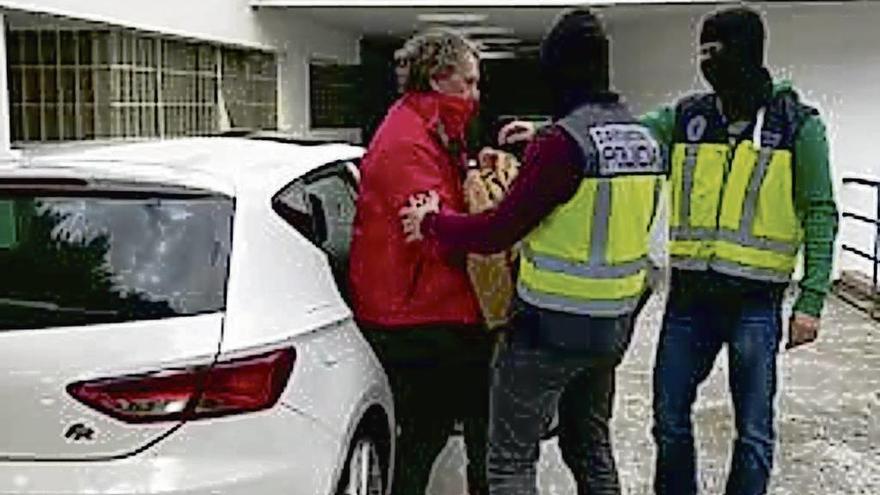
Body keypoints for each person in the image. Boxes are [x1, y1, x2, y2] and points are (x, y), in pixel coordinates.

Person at [399, 9, 665, 495]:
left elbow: (497, 229)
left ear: (560, 69)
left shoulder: (561, 146)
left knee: (510, 459)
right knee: (590, 444)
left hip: (548, 329)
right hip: (612, 328)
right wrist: (540, 137)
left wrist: (432, 221)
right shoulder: (644, 138)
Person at [638, 7, 839, 495]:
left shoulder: (798, 126)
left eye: (717, 53)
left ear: (747, 53)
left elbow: (820, 212)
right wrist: (549, 137)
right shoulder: (688, 117)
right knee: (668, 417)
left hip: (756, 301)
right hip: (689, 298)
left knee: (752, 429)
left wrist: (811, 301)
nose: (707, 64)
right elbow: (620, 140)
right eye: (702, 54)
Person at [347, 29, 490, 495]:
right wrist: (484, 224)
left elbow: (440, 211)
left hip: (426, 304)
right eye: (467, 83)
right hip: (419, 312)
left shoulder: (431, 127)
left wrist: (475, 175)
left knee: (453, 426)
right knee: (430, 433)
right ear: (438, 77)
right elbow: (435, 232)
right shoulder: (407, 142)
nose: (475, 94)